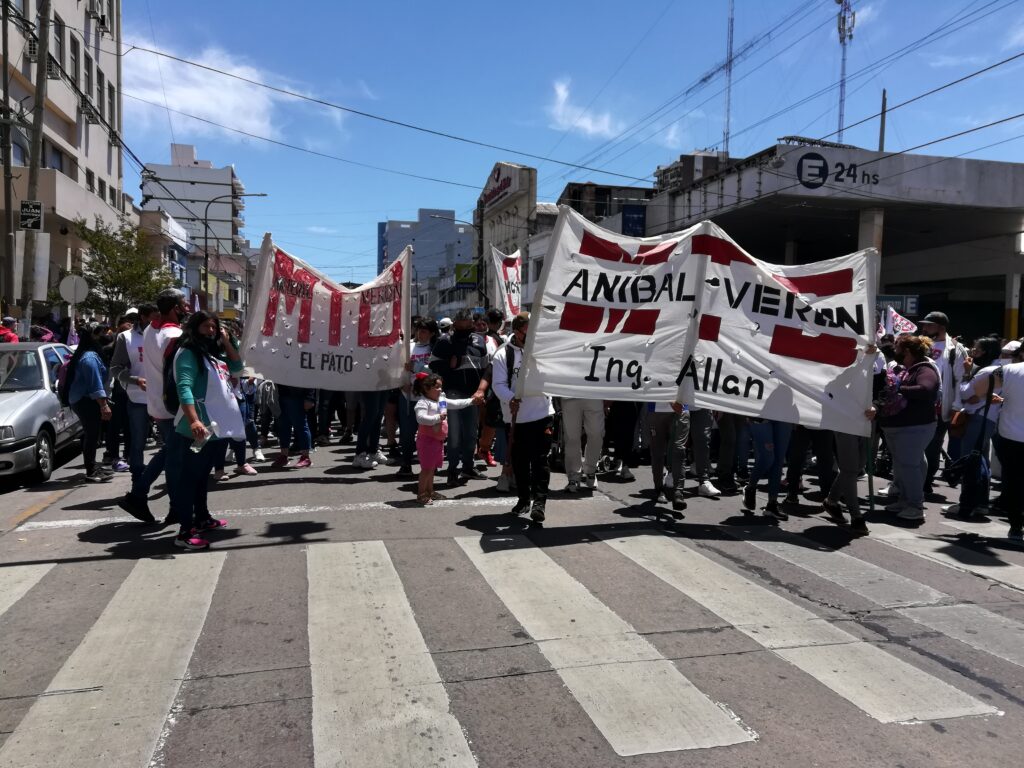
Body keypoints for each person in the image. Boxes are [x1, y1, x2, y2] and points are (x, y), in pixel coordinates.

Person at [171, 311, 245, 550]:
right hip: (196, 429)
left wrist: (225, 340)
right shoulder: (188, 353)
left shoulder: (210, 354)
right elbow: (184, 387)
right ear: (194, 328)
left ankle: (202, 517)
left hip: (212, 426)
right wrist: (194, 421)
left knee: (202, 477)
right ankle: (184, 531)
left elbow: (237, 366)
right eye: (206, 327)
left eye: (214, 327)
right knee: (189, 479)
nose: (211, 331)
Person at [492, 312, 555, 522]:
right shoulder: (503, 355)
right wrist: (510, 398)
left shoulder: (545, 351)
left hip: (543, 414)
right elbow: (498, 384)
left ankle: (540, 503)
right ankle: (523, 499)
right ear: (517, 333)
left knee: (540, 460)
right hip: (517, 418)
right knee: (520, 461)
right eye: (528, 332)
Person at [878, 335, 940, 524]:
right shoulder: (905, 368)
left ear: (907, 352)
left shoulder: (924, 368)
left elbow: (926, 389)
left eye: (898, 348)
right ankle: (904, 500)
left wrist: (898, 388)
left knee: (909, 465)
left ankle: (915, 506)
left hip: (915, 426)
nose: (894, 351)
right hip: (900, 427)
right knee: (905, 465)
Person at [143, 288, 189, 525]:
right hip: (175, 408)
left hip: (158, 406)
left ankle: (138, 494)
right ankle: (176, 508)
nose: (188, 308)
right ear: (174, 309)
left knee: (169, 453)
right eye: (184, 304)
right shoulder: (174, 335)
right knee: (176, 461)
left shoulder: (151, 330)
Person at [429, 309, 490, 484]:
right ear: (454, 325)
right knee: (454, 435)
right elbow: (432, 366)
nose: (466, 329)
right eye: (461, 326)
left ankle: (468, 467)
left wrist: (483, 391)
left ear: (472, 324)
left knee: (471, 433)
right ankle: (452, 470)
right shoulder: (444, 341)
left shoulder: (479, 340)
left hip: (473, 394)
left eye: (469, 325)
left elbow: (486, 368)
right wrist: (448, 365)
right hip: (452, 394)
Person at [110, 303, 160, 520]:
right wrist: (134, 380)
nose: (156, 321)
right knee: (138, 443)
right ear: (143, 317)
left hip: (163, 399)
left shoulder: (163, 334)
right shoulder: (126, 338)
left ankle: (142, 489)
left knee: (172, 444)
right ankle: (137, 486)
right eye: (153, 317)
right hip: (137, 398)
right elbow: (115, 368)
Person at [974, 343, 1023, 544]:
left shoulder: (1009, 370)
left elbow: (978, 389)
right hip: (1009, 436)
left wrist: (992, 396)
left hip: (1011, 436)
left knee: (1013, 481)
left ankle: (1016, 526)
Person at [919, 311, 969, 490]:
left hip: (940, 408)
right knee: (913, 445)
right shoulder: (921, 344)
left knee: (932, 447)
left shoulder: (955, 348)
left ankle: (925, 482)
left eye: (928, 325)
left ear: (941, 327)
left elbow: (961, 379)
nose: (924, 328)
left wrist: (956, 407)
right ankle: (907, 482)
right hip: (918, 405)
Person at [412, 373, 475, 504]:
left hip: (437, 441)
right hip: (427, 440)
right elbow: (421, 418)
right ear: (426, 388)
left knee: (432, 468)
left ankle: (430, 491)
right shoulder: (423, 402)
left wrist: (472, 401)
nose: (440, 390)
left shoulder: (441, 401)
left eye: (441, 387)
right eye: (437, 387)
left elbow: (457, 403)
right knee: (426, 469)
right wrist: (437, 418)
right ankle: (421, 494)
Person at [66, 328, 114, 482]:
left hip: (85, 399)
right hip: (85, 400)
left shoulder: (89, 356)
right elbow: (95, 385)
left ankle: (93, 466)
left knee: (93, 434)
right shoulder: (90, 358)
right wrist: (103, 405)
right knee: (92, 434)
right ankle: (91, 470)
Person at [743, 419, 793, 520]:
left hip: (785, 413)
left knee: (778, 461)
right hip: (761, 414)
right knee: (768, 457)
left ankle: (772, 504)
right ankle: (750, 486)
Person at [653, 402, 689, 511]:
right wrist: (671, 400)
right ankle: (659, 489)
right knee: (657, 452)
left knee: (679, 449)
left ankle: (678, 492)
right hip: (656, 409)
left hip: (682, 408)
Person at [273, 384, 315, 468]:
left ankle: (306, 457)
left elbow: (309, 377)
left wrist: (309, 397)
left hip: (297, 395)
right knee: (283, 427)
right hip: (283, 395)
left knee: (301, 426)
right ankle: (284, 456)